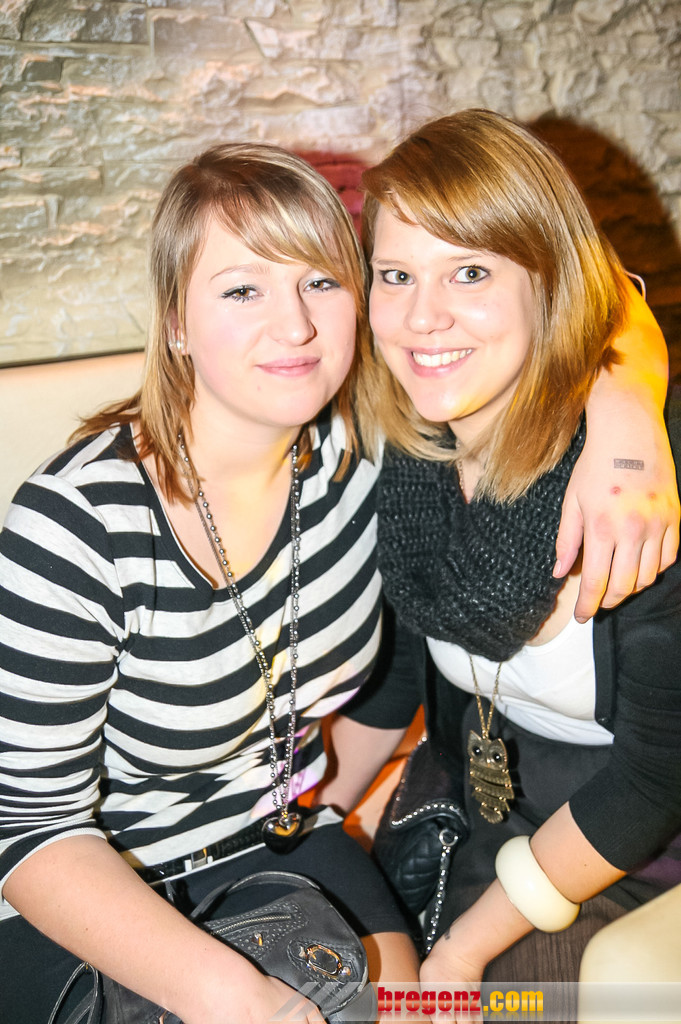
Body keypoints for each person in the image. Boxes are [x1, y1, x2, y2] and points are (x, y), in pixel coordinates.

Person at [0, 137, 676, 1024]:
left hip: (281, 841)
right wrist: (234, 996)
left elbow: (587, 282)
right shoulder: (79, 523)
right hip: (95, 881)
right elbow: (27, 825)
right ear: (174, 323)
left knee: (419, 1012)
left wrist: (628, 419)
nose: (295, 327)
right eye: (242, 290)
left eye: (320, 281)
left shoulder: (364, 459)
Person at [327, 109, 681, 996]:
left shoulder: (639, 484)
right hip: (486, 802)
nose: (421, 317)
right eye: (396, 275)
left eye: (470, 271)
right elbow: (403, 664)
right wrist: (313, 813)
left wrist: (461, 951)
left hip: (637, 849)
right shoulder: (414, 453)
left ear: (548, 285)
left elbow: (654, 779)